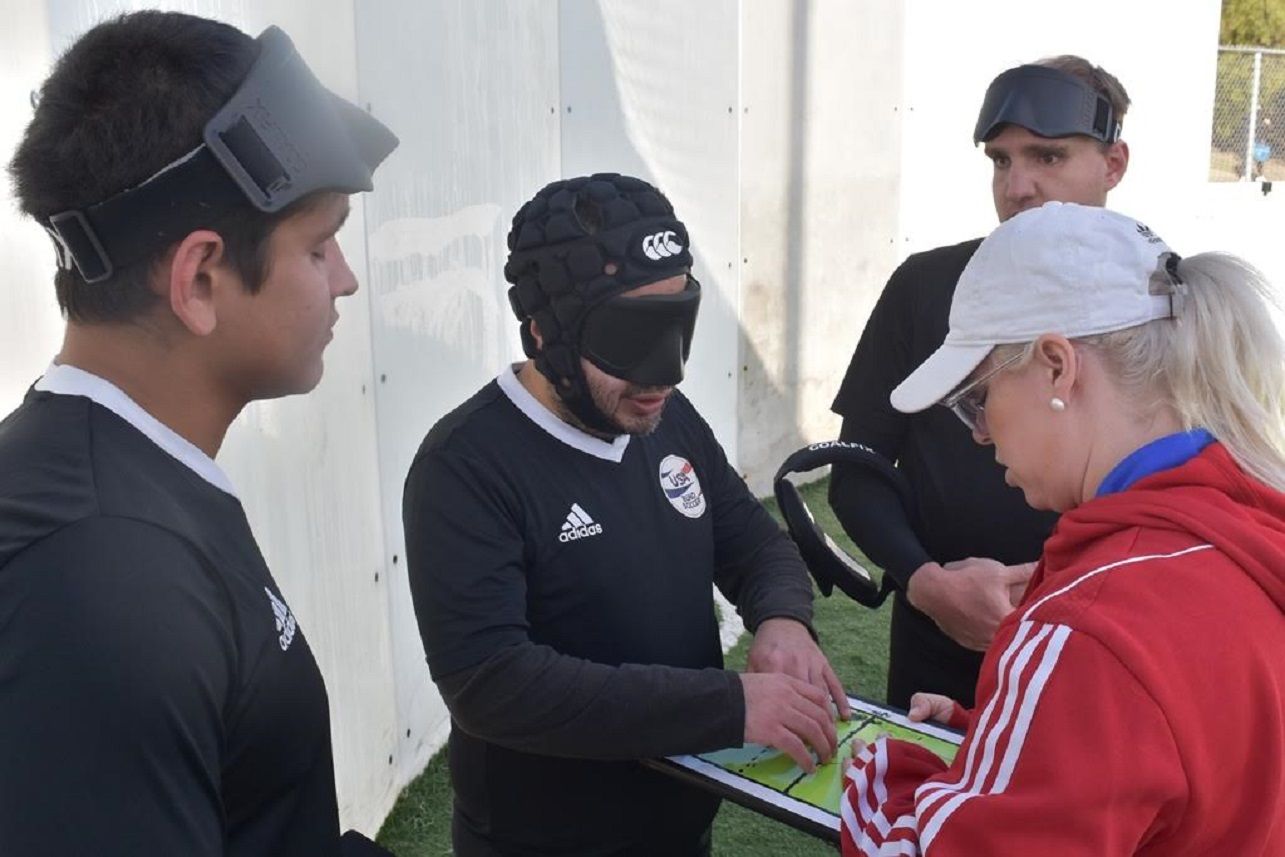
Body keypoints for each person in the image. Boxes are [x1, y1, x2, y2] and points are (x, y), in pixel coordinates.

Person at [0, 12, 396, 856]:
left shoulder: (125, 482)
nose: (346, 280)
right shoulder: (103, 577)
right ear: (201, 278)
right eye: (321, 246)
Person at [403, 173, 848, 857]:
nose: (664, 372)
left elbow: (752, 543)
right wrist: (727, 706)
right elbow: (493, 683)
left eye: (676, 323)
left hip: (680, 818)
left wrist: (782, 619)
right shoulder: (463, 466)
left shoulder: (664, 419)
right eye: (630, 334)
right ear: (543, 331)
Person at [839, 201, 1285, 854]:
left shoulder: (1089, 622)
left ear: (1056, 365)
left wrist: (879, 768)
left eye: (976, 397)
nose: (981, 431)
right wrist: (1005, 734)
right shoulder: (1247, 531)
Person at [828, 56, 1132, 708]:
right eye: (999, 160)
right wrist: (925, 581)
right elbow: (856, 467)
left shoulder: (1158, 301)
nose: (1016, 185)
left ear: (1113, 164)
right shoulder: (925, 286)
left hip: (1099, 643)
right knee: (923, 801)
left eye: (1046, 157)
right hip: (942, 638)